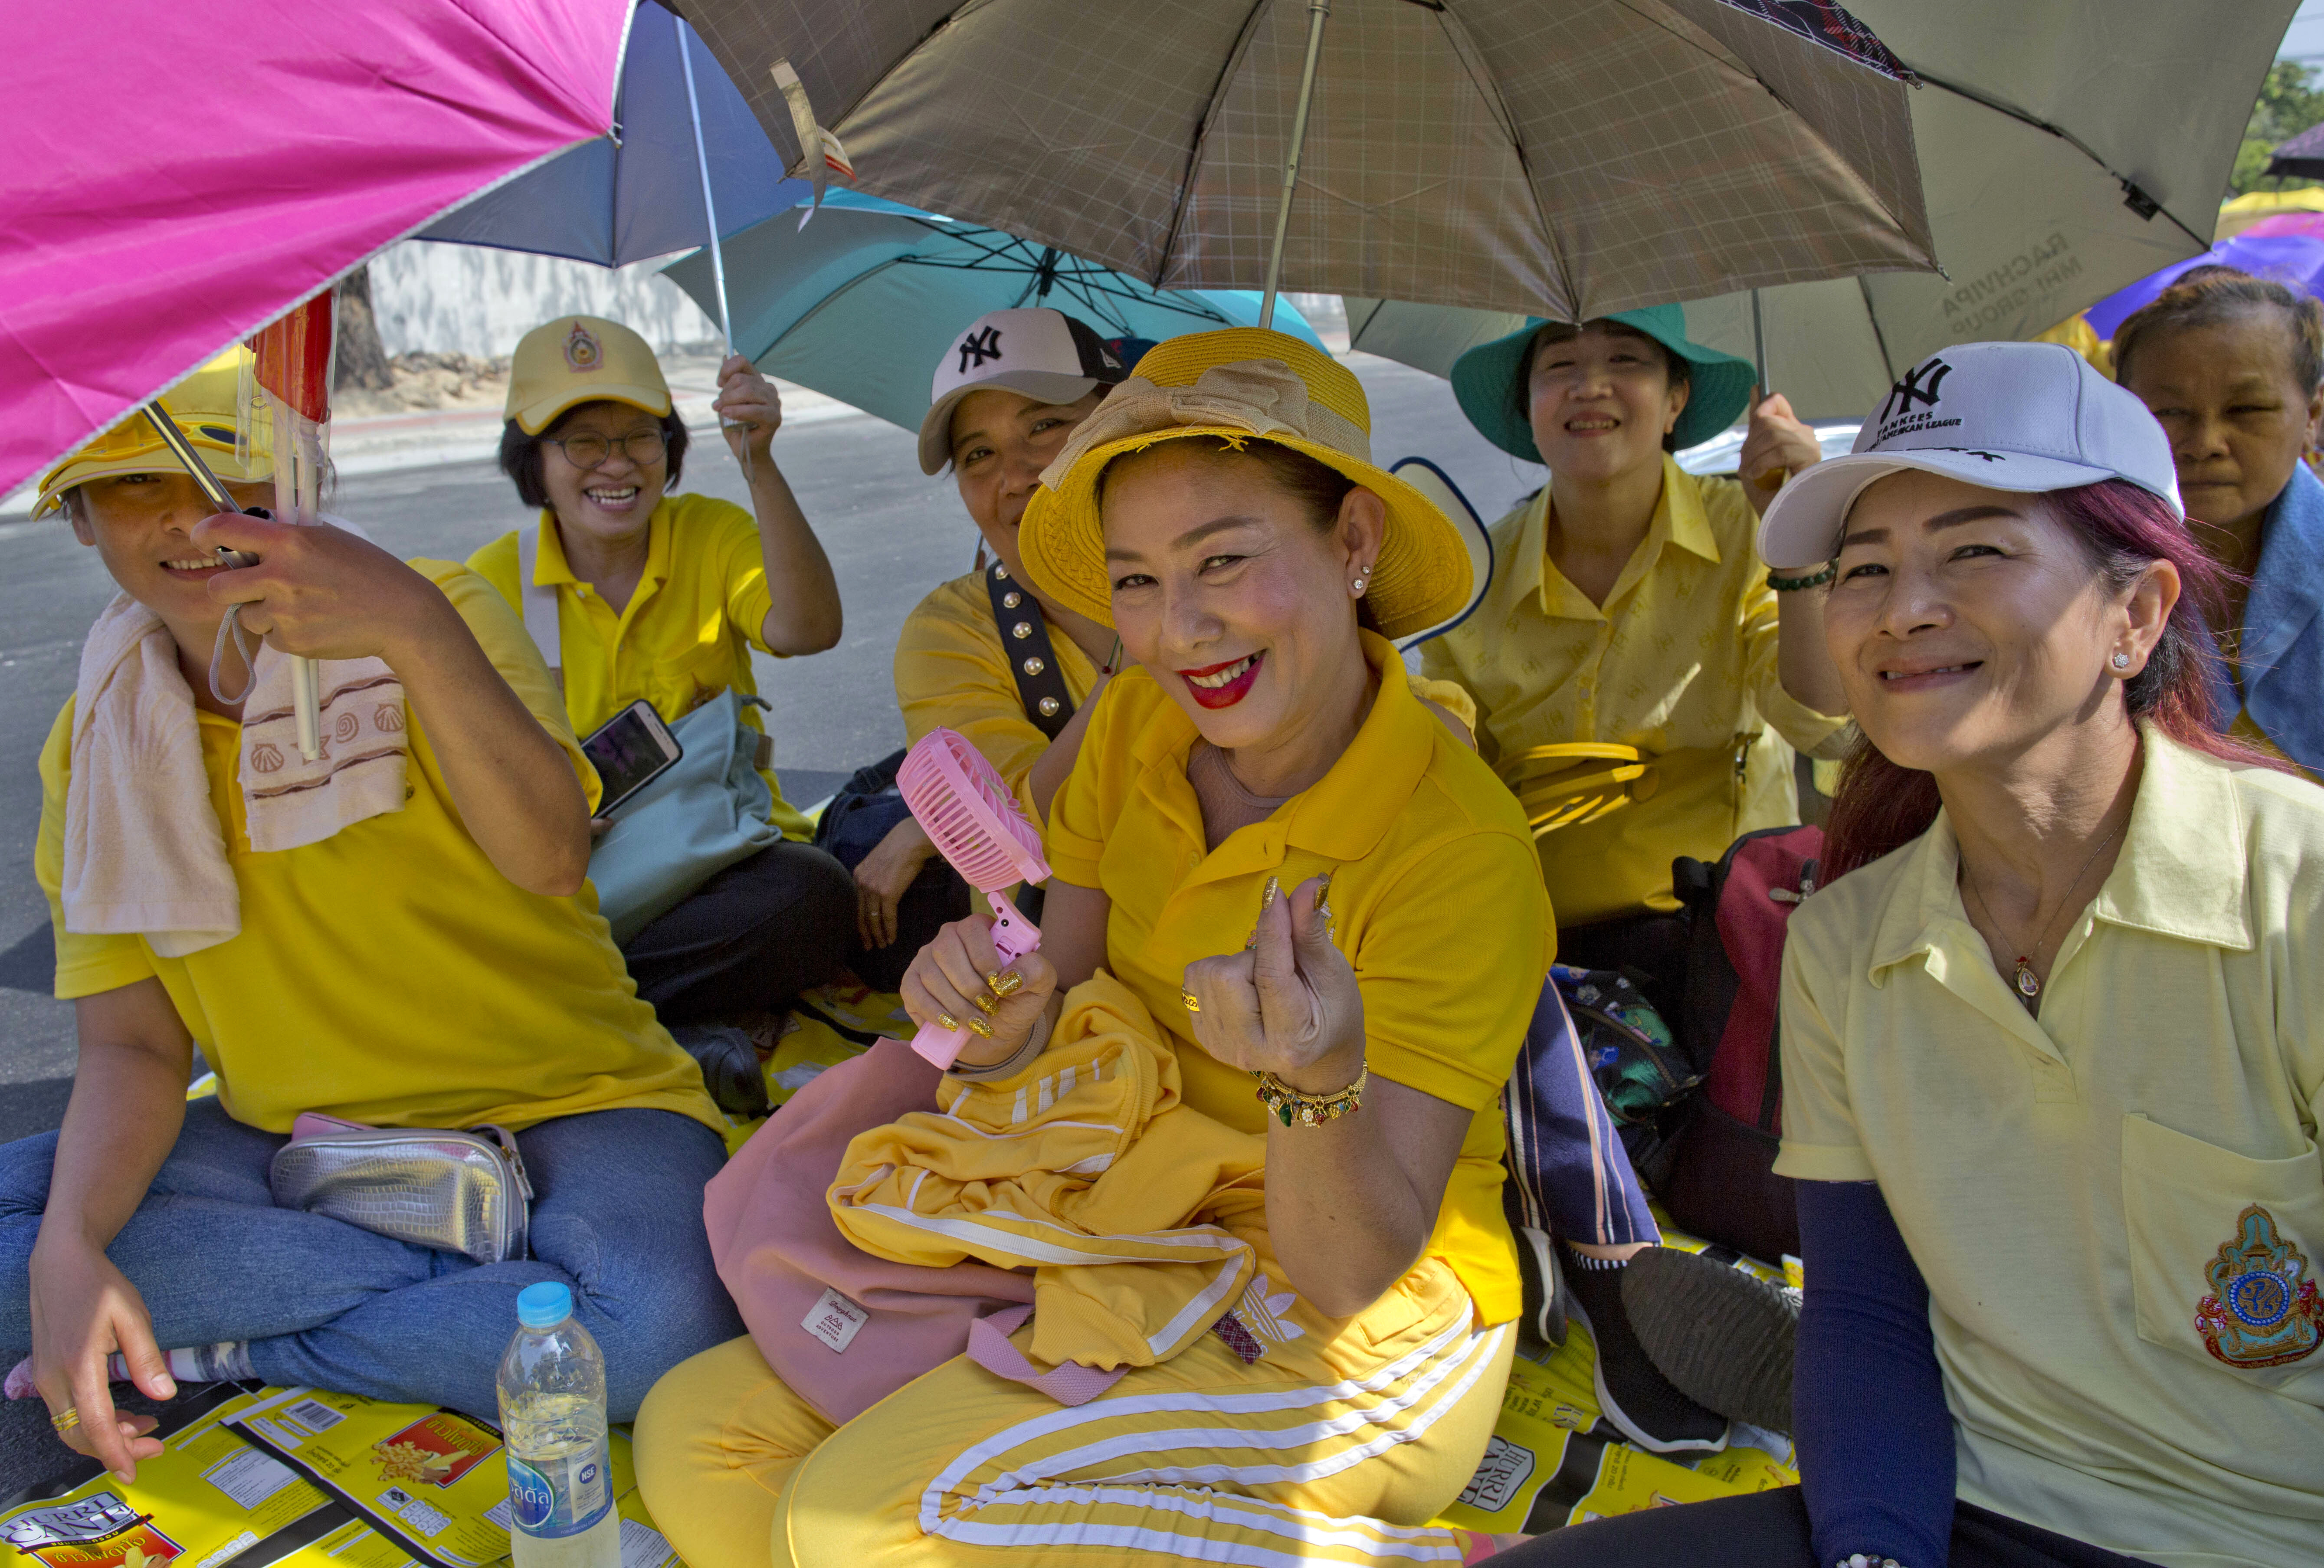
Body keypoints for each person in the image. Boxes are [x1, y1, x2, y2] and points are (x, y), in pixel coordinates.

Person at [631, 329, 1641, 1565]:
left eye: (1223, 559)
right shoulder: (1132, 727)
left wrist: (1309, 1086)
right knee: (696, 1433)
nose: (1182, 630)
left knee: (850, 1525)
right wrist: (1006, 1031)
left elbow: (1349, 1268)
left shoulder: (1455, 848)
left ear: (1353, 543)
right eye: (1136, 581)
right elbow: (1057, 997)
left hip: (1356, 1320)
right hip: (1122, 1226)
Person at [1496, 342, 2323, 1568]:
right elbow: (1866, 1316)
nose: (1901, 608)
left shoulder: (2295, 896)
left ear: (2135, 612)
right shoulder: (1841, 939)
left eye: (1975, 552)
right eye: (1864, 567)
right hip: (1967, 1499)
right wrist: (1871, 1552)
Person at [0, 354, 741, 1482]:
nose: (199, 515)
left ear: (294, 478)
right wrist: (67, 1246)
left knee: (657, 1322)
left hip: (575, 1107)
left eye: (231, 469)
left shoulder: (435, 606)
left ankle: (244, 1340)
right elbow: (136, 1045)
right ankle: (470, 1300)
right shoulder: (96, 744)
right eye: (141, 483)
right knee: (23, 1236)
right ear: (80, 518)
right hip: (294, 1143)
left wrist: (408, 625)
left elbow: (548, 855)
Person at [1421, 306, 1851, 987]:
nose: (1591, 385)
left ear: (1676, 399)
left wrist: (1799, 543)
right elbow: (1446, 779)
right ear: (1528, 408)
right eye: (1560, 365)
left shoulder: (1751, 530)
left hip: (1733, 935)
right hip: (1533, 948)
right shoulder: (1475, 573)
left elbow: (1828, 727)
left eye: (1625, 361)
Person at [469, 316, 853, 1028]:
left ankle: (572, 1011)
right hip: (580, 884)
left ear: (670, 448)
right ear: (534, 459)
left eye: (640, 436)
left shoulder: (711, 533)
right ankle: (657, 1021)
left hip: (723, 859)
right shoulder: (489, 586)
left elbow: (808, 629)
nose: (616, 464)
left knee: (815, 897)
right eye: (582, 441)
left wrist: (759, 464)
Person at [835, 309, 1133, 982]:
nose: (1016, 474)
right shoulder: (947, 633)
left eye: (1045, 427)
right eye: (978, 455)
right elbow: (1011, 836)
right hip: (1065, 991)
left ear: (1121, 424)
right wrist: (1144, 657)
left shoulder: (1230, 584)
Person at [2113, 266, 2324, 779]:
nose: (2205, 442)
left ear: (2312, 416)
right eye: (2168, 412)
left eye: (2247, 408)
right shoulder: (2086, 573)